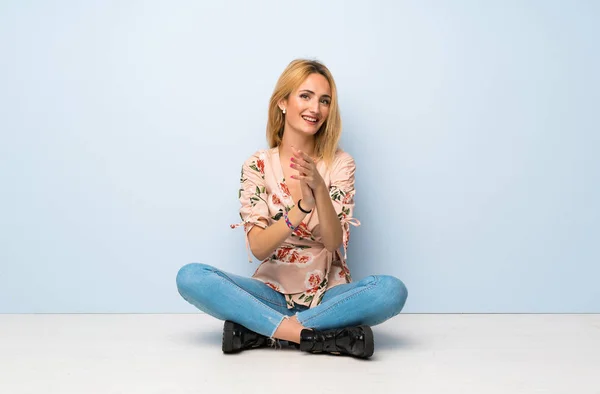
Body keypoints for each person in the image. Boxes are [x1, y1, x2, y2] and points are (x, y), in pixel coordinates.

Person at [176, 59, 408, 358]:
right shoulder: (257, 165)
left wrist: (320, 190)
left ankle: (262, 331)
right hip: (269, 293)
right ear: (283, 102)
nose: (316, 108)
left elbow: (333, 242)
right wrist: (300, 207)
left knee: (390, 291)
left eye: (325, 101)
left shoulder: (340, 163)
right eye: (306, 96)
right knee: (191, 276)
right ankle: (314, 336)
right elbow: (258, 248)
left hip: (328, 295)